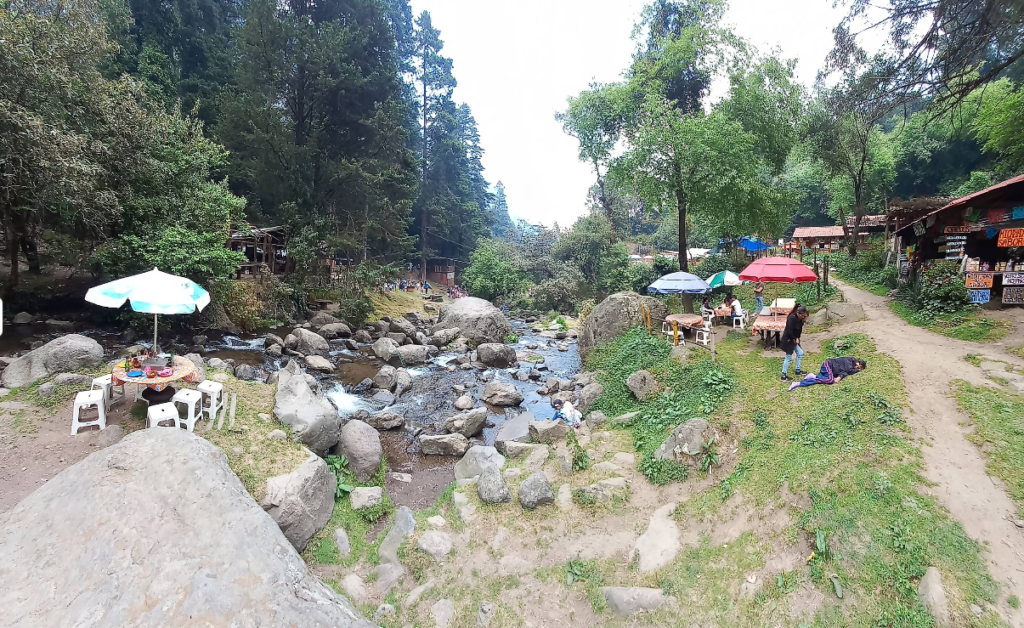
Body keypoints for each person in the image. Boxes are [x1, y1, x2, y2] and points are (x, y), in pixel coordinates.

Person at [789, 357, 867, 391]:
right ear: (858, 362)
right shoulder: (850, 361)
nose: (856, 368)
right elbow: (847, 370)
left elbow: (845, 372)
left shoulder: (851, 367)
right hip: (828, 365)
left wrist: (840, 377)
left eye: (858, 368)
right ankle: (798, 383)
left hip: (829, 370)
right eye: (857, 366)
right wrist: (840, 377)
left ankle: (813, 376)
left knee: (827, 379)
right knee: (830, 380)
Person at [780, 304, 809, 381]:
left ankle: (798, 371)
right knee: (788, 357)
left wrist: (797, 338)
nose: (803, 317)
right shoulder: (791, 319)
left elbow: (798, 331)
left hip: (794, 340)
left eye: (805, 316)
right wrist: (795, 338)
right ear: (798, 313)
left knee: (800, 353)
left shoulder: (800, 320)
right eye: (802, 316)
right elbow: (789, 331)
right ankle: (783, 376)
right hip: (788, 340)